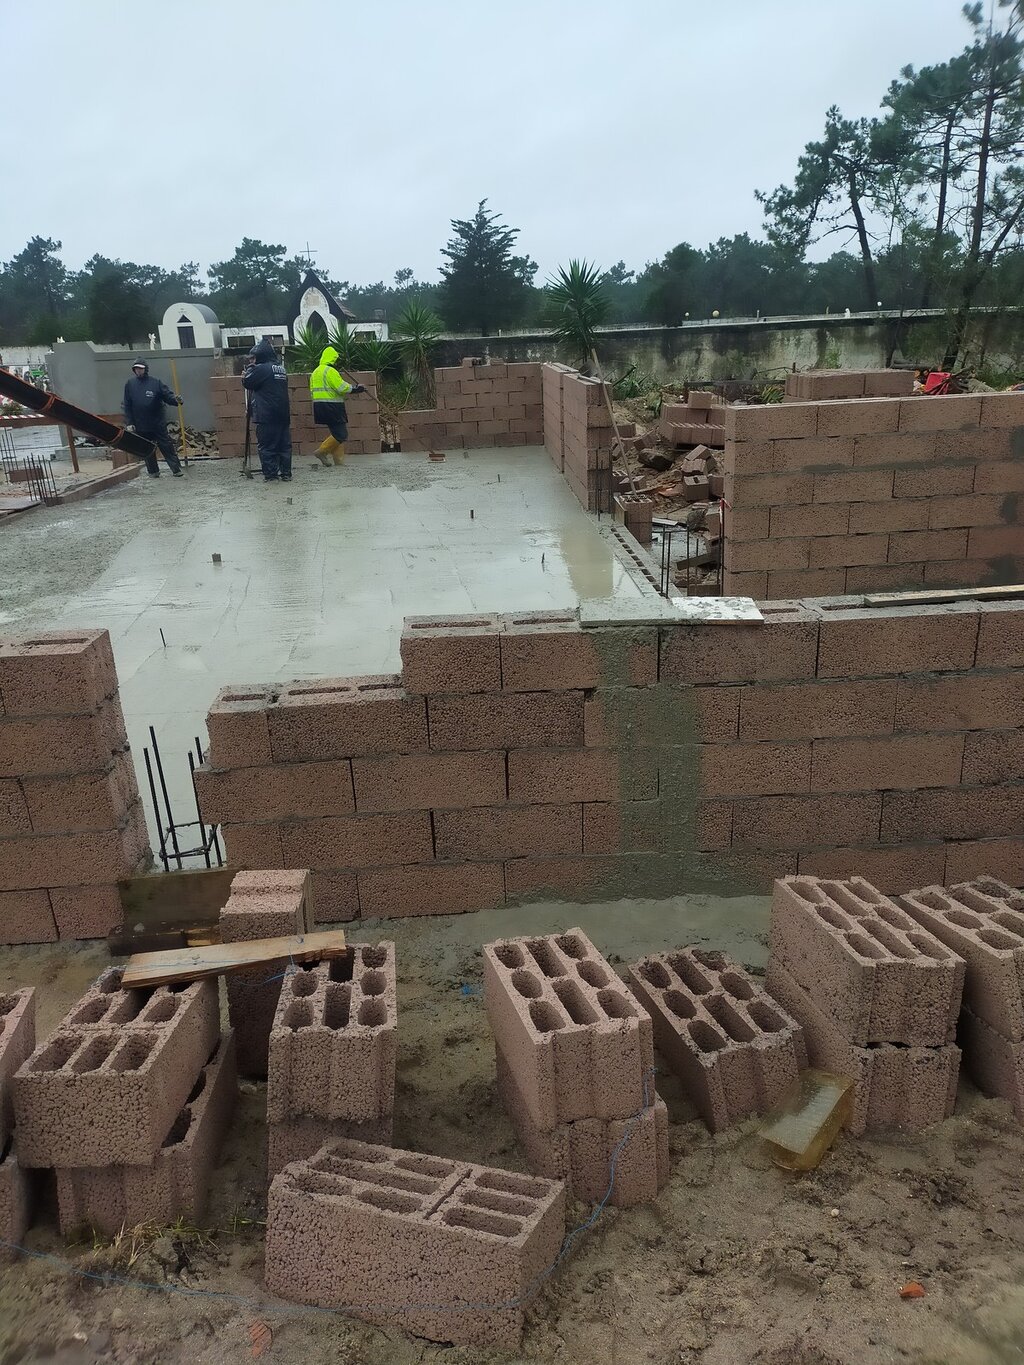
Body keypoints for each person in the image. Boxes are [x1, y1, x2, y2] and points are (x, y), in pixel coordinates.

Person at [122, 359, 184, 477]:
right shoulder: (130, 384)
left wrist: (176, 400)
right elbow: (127, 404)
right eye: (136, 369)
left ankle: (177, 469)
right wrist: (129, 422)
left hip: (157, 423)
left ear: (146, 369)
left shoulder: (155, 383)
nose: (138, 371)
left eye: (140, 368)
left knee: (166, 446)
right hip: (140, 424)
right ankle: (153, 471)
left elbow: (167, 396)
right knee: (147, 448)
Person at [242, 338, 292, 482]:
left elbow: (248, 383)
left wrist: (246, 374)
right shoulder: (281, 369)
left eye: (253, 358)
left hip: (266, 415)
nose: (251, 361)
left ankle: (271, 476)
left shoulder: (261, 369)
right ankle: (286, 474)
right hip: (282, 414)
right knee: (284, 446)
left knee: (267, 447)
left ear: (261, 356)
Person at [309, 344, 365, 467]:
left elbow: (312, 390)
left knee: (336, 433)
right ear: (333, 359)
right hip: (332, 406)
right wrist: (357, 389)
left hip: (319, 407)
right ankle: (321, 452)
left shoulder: (316, 372)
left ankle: (338, 462)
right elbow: (341, 387)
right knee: (341, 434)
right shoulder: (330, 371)